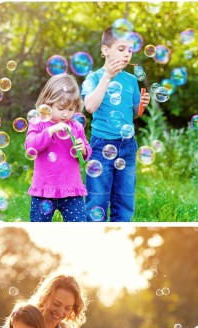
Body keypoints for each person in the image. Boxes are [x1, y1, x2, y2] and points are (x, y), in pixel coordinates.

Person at [81, 27, 151, 222]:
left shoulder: (130, 80)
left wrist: (141, 107)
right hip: (101, 146)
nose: (127, 53)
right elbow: (90, 106)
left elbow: (133, 115)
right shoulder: (94, 78)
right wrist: (107, 77)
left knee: (125, 200)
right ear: (105, 50)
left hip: (127, 146)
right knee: (97, 199)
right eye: (121, 49)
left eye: (130, 50)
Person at [25, 73, 92, 222]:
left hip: (72, 190)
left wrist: (83, 149)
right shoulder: (39, 123)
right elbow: (31, 145)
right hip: (43, 190)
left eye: (71, 109)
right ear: (48, 104)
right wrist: (50, 131)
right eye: (61, 108)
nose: (66, 114)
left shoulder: (76, 126)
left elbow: (86, 150)